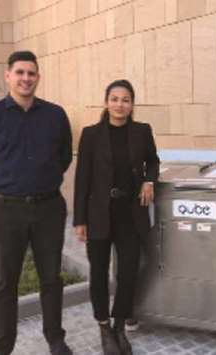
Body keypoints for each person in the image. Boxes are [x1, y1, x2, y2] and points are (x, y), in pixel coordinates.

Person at [0, 51, 73, 355]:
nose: (26, 78)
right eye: (20, 72)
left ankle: (55, 339)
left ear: (38, 77)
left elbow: (64, 156)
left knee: (51, 278)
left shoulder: (55, 115)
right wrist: (1, 189)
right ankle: (3, 346)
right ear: (8, 75)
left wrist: (45, 178)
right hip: (6, 211)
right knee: (5, 283)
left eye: (31, 73)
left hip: (49, 209)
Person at [73, 79, 159, 355]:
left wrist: (149, 180)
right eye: (114, 98)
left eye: (125, 99)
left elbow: (153, 161)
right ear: (106, 102)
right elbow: (82, 179)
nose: (120, 104)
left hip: (130, 213)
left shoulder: (142, 131)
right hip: (99, 213)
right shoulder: (91, 134)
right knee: (98, 273)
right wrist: (79, 220)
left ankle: (120, 325)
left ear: (132, 104)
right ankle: (103, 326)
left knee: (128, 271)